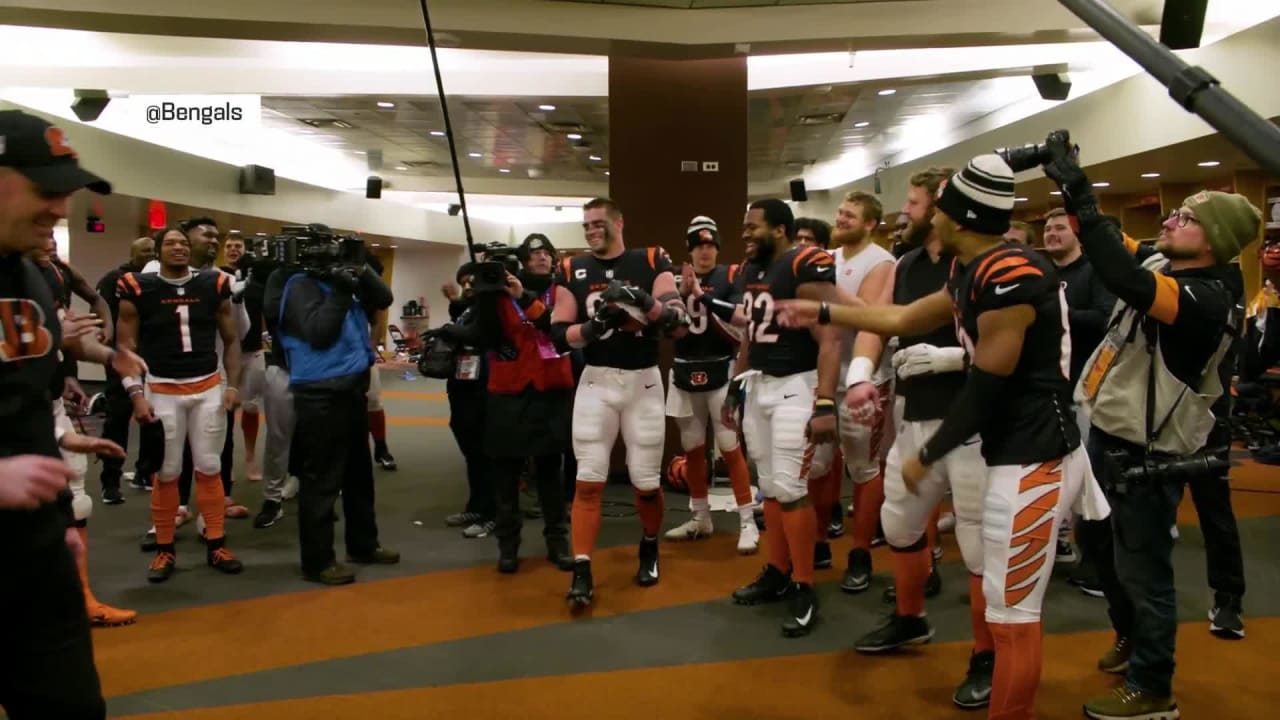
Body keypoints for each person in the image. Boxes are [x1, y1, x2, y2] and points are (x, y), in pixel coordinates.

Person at [777, 155, 1102, 719]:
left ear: (960, 216)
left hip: (1033, 454)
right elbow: (904, 320)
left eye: (937, 206)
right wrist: (821, 306)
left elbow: (988, 388)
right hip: (1008, 449)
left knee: (1013, 618)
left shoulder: (1010, 274)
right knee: (1006, 610)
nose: (920, 215)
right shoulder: (972, 266)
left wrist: (927, 452)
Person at [1042, 149, 1259, 718]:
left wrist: (1084, 200)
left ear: (1213, 239)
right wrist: (1074, 204)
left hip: (1148, 450)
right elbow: (1114, 249)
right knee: (1102, 554)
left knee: (1144, 569)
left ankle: (1153, 684)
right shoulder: (1169, 266)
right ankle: (1131, 637)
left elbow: (1117, 273)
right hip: (1108, 432)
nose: (1169, 221)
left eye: (1185, 218)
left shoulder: (1205, 296)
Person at [0, 107, 143, 719]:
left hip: (32, 557)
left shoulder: (29, 275)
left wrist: (57, 522)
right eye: (45, 190)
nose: (61, 209)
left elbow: (19, 390)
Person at [844, 167, 993, 709]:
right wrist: (860, 375)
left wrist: (953, 357)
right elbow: (878, 323)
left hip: (976, 422)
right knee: (899, 523)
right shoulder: (907, 264)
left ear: (943, 209)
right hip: (918, 416)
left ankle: (987, 653)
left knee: (979, 543)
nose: (903, 212)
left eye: (912, 201)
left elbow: (1014, 339)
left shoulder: (981, 263)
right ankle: (910, 618)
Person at [550, 197, 688, 608]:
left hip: (642, 381)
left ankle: (649, 544)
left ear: (619, 222)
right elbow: (558, 335)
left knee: (645, 483)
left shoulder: (649, 259)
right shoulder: (571, 267)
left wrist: (644, 301)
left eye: (598, 223)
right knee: (587, 481)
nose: (591, 229)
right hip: (596, 380)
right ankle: (582, 568)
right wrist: (595, 327)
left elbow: (677, 324)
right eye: (586, 224)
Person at [724, 198, 840, 638]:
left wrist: (825, 401)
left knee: (791, 489)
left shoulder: (802, 264)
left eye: (753, 227)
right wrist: (736, 386)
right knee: (770, 487)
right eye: (744, 226)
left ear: (779, 229)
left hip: (798, 384)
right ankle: (777, 569)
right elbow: (750, 337)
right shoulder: (752, 270)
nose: (746, 233)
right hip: (761, 384)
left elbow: (830, 338)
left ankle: (805, 584)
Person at [263, 228, 399, 585]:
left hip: (351, 388)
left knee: (359, 476)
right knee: (321, 481)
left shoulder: (340, 278)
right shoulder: (296, 286)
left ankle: (364, 544)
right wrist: (340, 289)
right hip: (319, 393)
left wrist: (359, 269)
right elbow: (320, 333)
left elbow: (383, 297)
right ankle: (318, 561)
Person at [117, 225, 247, 583]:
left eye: (184, 243)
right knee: (168, 470)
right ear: (157, 250)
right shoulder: (137, 286)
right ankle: (164, 548)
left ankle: (217, 542)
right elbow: (124, 347)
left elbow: (232, 340)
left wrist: (233, 385)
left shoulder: (214, 283)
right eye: (171, 243)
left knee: (209, 465)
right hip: (161, 387)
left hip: (207, 385)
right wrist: (135, 393)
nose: (179, 248)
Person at [458, 234, 575, 572]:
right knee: (505, 475)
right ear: (522, 261)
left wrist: (523, 298)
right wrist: (481, 294)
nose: (541, 259)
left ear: (554, 259)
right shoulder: (498, 292)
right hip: (508, 390)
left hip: (551, 387)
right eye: (533, 254)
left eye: (545, 253)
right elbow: (484, 335)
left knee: (551, 473)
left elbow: (554, 327)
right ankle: (508, 547)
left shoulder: (563, 290)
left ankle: (558, 543)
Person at [663, 216, 758, 554]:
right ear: (689, 250)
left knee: (730, 446)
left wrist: (701, 295)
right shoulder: (673, 280)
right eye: (699, 245)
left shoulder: (732, 275)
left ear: (718, 247)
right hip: (685, 369)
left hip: (721, 369)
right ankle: (700, 516)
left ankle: (747, 520)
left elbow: (740, 321)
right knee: (692, 448)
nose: (705, 252)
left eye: (710, 245)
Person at [824, 190, 896, 593]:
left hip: (865, 376)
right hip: (827, 374)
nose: (842, 218)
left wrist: (824, 289)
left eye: (850, 215)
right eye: (840, 213)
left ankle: (861, 551)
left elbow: (870, 316)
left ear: (870, 223)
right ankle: (819, 538)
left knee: (863, 469)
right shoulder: (831, 258)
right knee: (819, 462)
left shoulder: (881, 261)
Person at [1041, 207, 1116, 575]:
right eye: (1047, 228)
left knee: (1087, 476)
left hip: (1087, 389)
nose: (1051, 233)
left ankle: (1096, 562)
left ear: (1076, 235)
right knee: (1051, 470)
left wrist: (1057, 311)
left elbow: (1105, 320)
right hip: (1047, 388)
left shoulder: (1094, 272)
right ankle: (1059, 541)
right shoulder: (1042, 273)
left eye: (1059, 228)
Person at [94, 236, 161, 500]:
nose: (150, 255)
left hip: (152, 359)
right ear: (133, 253)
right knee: (118, 418)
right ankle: (110, 480)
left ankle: (145, 471)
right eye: (145, 251)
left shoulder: (157, 281)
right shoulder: (114, 280)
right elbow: (102, 313)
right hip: (122, 357)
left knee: (153, 418)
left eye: (153, 251)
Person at [222, 232, 268, 482]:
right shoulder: (217, 278)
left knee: (250, 407)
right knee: (225, 408)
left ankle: (250, 457)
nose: (232, 250)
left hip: (252, 352)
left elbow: (262, 316)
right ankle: (223, 462)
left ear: (244, 250)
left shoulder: (257, 284)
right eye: (228, 246)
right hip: (226, 353)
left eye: (237, 246)